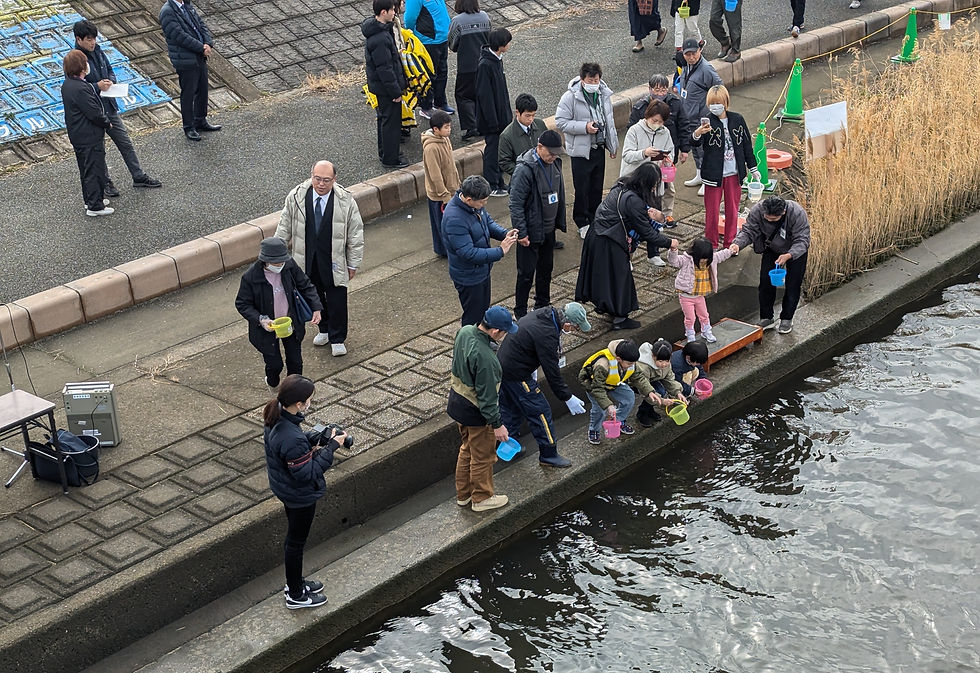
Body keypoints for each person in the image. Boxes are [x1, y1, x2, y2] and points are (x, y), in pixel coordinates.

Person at [263, 374, 345, 609]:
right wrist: (331, 447)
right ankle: (296, 595)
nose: (310, 403)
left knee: (293, 542)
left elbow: (294, 444)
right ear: (299, 404)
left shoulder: (276, 415)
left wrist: (318, 437)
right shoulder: (289, 435)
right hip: (299, 496)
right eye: (308, 399)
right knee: (295, 543)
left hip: (286, 489)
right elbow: (308, 473)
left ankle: (296, 582)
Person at [275, 161, 364, 357]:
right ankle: (323, 329)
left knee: (336, 299)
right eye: (317, 179)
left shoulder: (345, 200)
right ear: (311, 175)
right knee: (313, 297)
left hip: (334, 259)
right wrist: (275, 256)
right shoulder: (297, 196)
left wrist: (353, 263)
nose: (321, 184)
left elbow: (355, 234)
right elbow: (284, 226)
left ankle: (338, 337)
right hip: (305, 259)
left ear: (334, 179)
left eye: (326, 180)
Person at [575, 163, 678, 330]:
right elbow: (647, 232)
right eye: (654, 183)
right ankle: (620, 318)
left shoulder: (622, 185)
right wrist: (670, 242)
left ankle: (607, 307)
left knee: (603, 278)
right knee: (620, 279)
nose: (654, 187)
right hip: (609, 240)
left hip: (597, 234)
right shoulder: (634, 201)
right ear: (646, 182)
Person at [496, 302, 592, 468]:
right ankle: (549, 455)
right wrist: (567, 397)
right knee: (540, 411)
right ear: (567, 324)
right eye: (575, 328)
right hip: (517, 374)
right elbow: (551, 371)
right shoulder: (547, 333)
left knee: (511, 408)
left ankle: (507, 446)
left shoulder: (545, 314)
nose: (573, 331)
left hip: (503, 368)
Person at [73, 20, 161, 194]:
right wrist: (98, 86)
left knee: (125, 143)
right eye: (89, 39)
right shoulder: (75, 59)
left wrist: (110, 81)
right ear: (78, 39)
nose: (93, 42)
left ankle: (138, 175)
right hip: (92, 112)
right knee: (99, 151)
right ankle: (106, 183)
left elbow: (110, 70)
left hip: (109, 106)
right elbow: (76, 87)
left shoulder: (98, 51)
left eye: (94, 39)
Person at [447, 305, 518, 512]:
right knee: (483, 456)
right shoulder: (487, 360)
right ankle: (482, 498)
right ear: (496, 331)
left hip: (457, 403)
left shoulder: (465, 331)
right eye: (505, 332)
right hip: (475, 412)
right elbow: (487, 400)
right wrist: (498, 425)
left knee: (467, 449)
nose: (505, 336)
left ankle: (464, 495)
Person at [235, 238, 323, 389]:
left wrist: (316, 307)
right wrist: (261, 319)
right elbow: (242, 304)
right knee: (275, 365)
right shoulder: (250, 277)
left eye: (282, 262)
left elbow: (306, 285)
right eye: (276, 264)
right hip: (267, 329)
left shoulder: (289, 266)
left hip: (291, 323)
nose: (280, 266)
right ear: (265, 261)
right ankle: (272, 382)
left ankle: (292, 391)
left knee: (295, 362)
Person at [443, 175, 520, 325]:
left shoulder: (475, 206)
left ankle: (483, 338)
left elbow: (488, 223)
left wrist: (504, 233)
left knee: (483, 310)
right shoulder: (454, 219)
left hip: (482, 271)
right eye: (482, 201)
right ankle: (470, 344)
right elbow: (468, 253)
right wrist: (500, 251)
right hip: (468, 276)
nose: (485, 204)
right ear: (469, 199)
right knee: (473, 315)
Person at [691, 84, 759, 248]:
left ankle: (730, 243)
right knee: (712, 212)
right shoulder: (706, 122)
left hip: (734, 174)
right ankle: (711, 244)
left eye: (718, 102)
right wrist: (698, 133)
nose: (715, 106)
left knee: (733, 210)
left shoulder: (737, 119)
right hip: (713, 175)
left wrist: (753, 168)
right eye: (712, 103)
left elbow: (746, 146)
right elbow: (694, 143)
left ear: (726, 102)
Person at [730, 195, 811, 334]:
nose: (768, 220)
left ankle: (786, 318)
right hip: (772, 248)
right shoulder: (758, 210)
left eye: (773, 219)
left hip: (795, 252)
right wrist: (737, 244)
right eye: (766, 217)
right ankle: (766, 317)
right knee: (765, 282)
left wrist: (788, 255)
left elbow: (803, 240)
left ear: (783, 212)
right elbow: (749, 231)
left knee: (793, 285)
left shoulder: (796, 212)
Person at [556, 62, 618, 240]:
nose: (594, 83)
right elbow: (561, 122)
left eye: (596, 79)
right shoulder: (570, 97)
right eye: (590, 80)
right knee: (582, 188)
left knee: (597, 187)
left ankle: (595, 217)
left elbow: (609, 121)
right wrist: (585, 127)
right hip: (581, 152)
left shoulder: (603, 94)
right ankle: (582, 221)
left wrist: (612, 146)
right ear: (582, 79)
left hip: (598, 148)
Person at [509, 130, 567, 319]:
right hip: (531, 232)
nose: (553, 157)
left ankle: (542, 304)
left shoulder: (555, 163)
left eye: (557, 153)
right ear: (539, 147)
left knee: (546, 269)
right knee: (526, 274)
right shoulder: (525, 169)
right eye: (551, 153)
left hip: (549, 230)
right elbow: (515, 203)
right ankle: (520, 312)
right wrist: (522, 232)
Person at [629, 74, 689, 229]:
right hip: (643, 161)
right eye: (657, 90)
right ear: (649, 89)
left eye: (663, 90)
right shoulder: (639, 108)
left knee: (668, 188)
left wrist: (684, 149)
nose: (660, 93)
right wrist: (644, 152)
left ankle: (666, 214)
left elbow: (683, 125)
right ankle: (645, 216)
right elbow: (630, 140)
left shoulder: (675, 103)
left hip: (665, 159)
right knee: (646, 190)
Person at [620, 100, 674, 267]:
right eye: (654, 120)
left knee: (654, 220)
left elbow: (670, 150)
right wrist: (644, 153)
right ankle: (627, 256)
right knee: (630, 222)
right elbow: (627, 155)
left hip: (654, 183)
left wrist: (667, 160)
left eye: (660, 121)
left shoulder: (665, 133)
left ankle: (654, 253)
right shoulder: (634, 131)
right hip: (633, 182)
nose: (657, 124)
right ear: (648, 116)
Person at [579, 338, 662, 445]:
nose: (632, 366)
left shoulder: (630, 360)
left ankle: (618, 421)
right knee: (599, 409)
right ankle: (594, 430)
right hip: (594, 385)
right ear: (618, 359)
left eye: (633, 363)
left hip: (614, 382)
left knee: (629, 397)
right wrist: (609, 405)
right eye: (629, 364)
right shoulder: (603, 365)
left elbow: (638, 377)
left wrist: (649, 391)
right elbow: (597, 389)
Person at [159, 0, 220, 141]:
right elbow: (179, 36)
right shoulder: (167, 11)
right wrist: (201, 47)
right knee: (188, 93)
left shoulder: (187, 5)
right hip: (184, 59)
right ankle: (189, 126)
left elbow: (201, 25)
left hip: (198, 56)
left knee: (203, 88)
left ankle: (200, 120)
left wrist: (208, 43)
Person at [61, 50, 113, 217]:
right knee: (94, 168)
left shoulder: (68, 84)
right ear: (82, 67)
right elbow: (93, 112)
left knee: (85, 168)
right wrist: (106, 122)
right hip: (89, 134)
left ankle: (91, 198)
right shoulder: (81, 88)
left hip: (77, 134)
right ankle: (95, 205)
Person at [363, 0, 409, 168]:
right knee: (391, 123)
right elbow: (385, 69)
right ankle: (391, 158)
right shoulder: (381, 38)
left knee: (384, 120)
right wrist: (396, 92)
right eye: (391, 10)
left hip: (380, 87)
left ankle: (386, 153)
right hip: (387, 89)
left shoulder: (378, 31)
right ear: (383, 12)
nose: (394, 13)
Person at [678, 38, 722, 196]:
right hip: (688, 115)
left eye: (694, 53)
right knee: (695, 148)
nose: (691, 57)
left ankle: (707, 178)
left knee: (704, 149)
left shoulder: (706, 69)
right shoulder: (686, 66)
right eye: (687, 54)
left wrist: (714, 111)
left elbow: (719, 88)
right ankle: (699, 173)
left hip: (702, 116)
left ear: (700, 51)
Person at [668, 237, 733, 342]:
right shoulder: (686, 260)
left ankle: (706, 331)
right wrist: (673, 250)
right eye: (702, 258)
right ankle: (690, 335)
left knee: (704, 314)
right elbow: (674, 261)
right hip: (686, 296)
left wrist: (731, 250)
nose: (704, 260)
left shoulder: (710, 260)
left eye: (707, 258)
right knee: (690, 318)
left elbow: (721, 255)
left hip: (699, 295)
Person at [475, 28, 513, 196]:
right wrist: (493, 121)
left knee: (500, 150)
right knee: (492, 152)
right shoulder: (486, 65)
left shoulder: (497, 60)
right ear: (501, 45)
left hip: (501, 117)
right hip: (492, 121)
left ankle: (499, 181)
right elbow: (485, 96)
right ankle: (492, 184)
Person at [448, 0, 490, 141]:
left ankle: (472, 126)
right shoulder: (485, 16)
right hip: (484, 63)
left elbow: (453, 44)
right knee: (482, 94)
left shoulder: (457, 21)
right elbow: (490, 38)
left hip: (466, 66)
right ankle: (485, 124)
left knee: (463, 95)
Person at [422, 110, 461, 257]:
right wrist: (444, 194)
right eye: (446, 127)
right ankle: (444, 250)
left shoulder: (445, 139)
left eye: (449, 126)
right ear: (435, 129)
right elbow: (435, 174)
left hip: (451, 189)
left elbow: (451, 165)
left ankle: (449, 248)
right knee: (442, 224)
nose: (449, 130)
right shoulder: (431, 147)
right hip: (440, 194)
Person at [405, 0, 452, 118]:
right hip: (428, 40)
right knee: (429, 75)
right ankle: (426, 107)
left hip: (442, 38)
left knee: (442, 72)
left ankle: (440, 103)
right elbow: (409, 18)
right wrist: (413, 35)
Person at [498, 93, 547, 189]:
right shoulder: (506, 136)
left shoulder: (540, 125)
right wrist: (523, 172)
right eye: (527, 115)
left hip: (543, 176)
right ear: (517, 112)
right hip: (522, 182)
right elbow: (504, 162)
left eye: (533, 115)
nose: (531, 119)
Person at [635, 340, 687, 427]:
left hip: (652, 380)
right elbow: (643, 387)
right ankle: (642, 413)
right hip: (638, 383)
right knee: (659, 392)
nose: (663, 364)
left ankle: (650, 410)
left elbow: (669, 379)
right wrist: (662, 401)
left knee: (660, 391)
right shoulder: (643, 367)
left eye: (666, 361)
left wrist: (678, 392)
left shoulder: (667, 365)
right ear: (653, 356)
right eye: (660, 361)